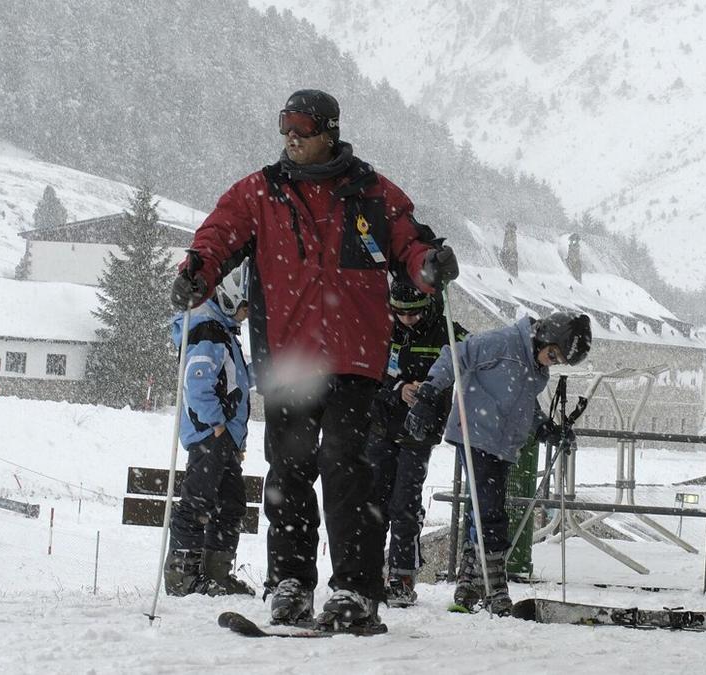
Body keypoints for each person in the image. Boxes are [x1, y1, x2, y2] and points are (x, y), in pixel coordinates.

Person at [169, 89, 459, 632]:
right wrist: (198, 270)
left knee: (346, 469)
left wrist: (428, 264)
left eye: (302, 127)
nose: (291, 137)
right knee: (290, 470)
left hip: (354, 362)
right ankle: (292, 582)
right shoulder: (261, 192)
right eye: (285, 128)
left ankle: (354, 588)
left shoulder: (372, 192)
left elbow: (409, 242)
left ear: (330, 130)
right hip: (287, 360)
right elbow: (217, 235)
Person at [405, 310, 592, 615]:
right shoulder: (502, 342)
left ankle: (468, 584)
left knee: (481, 511)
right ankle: (495, 586)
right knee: (490, 512)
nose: (552, 362)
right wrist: (429, 393)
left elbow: (523, 403)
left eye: (558, 361)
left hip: (503, 445)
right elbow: (456, 354)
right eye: (554, 354)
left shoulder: (534, 367)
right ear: (545, 335)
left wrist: (544, 428)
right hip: (476, 433)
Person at [365, 282, 468, 607]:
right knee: (373, 501)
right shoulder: (380, 325)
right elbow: (368, 369)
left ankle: (402, 575)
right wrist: (398, 388)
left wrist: (430, 390)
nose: (407, 320)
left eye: (414, 314)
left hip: (420, 431)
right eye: (400, 313)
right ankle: (367, 572)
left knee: (405, 503)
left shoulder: (446, 331)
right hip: (382, 423)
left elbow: (466, 358)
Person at [164, 263, 254, 597]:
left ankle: (217, 572)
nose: (246, 315)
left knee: (231, 504)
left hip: (226, 436)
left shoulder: (224, 331)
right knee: (197, 501)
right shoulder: (209, 331)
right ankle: (182, 577)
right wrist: (216, 423)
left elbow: (238, 380)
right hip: (210, 435)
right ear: (231, 299)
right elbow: (197, 382)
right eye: (244, 307)